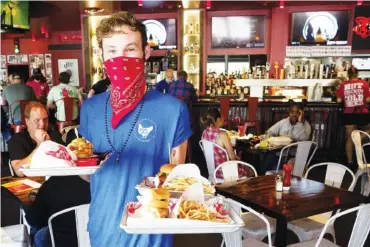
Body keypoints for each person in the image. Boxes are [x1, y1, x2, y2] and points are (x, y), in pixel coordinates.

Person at [78, 12, 192, 247]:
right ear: (101, 55)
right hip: (103, 229)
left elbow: (176, 180)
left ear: (146, 53)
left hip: (152, 235)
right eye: (112, 51)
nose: (120, 58)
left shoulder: (173, 111)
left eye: (130, 49)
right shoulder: (90, 109)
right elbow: (87, 174)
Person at [25, 176, 91, 247]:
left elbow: (34, 221)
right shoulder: (99, 182)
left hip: (62, 242)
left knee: (39, 235)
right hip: (96, 238)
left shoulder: (52, 184)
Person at [7, 101, 63, 177]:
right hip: (28, 183)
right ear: (27, 121)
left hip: (53, 181)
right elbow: (19, 172)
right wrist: (40, 146)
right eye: (37, 120)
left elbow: (66, 163)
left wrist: (50, 145)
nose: (42, 124)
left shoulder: (55, 135)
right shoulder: (16, 140)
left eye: (45, 119)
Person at [260, 102, 312, 175]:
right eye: (292, 112)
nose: (294, 114)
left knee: (272, 168)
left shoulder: (306, 126)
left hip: (293, 158)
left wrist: (299, 123)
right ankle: (261, 179)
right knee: (264, 164)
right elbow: (270, 131)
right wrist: (265, 136)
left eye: (297, 112)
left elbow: (300, 137)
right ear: (289, 112)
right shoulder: (284, 122)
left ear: (302, 113)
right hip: (279, 153)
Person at [201, 108, 251, 180]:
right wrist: (237, 158)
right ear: (218, 119)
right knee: (250, 170)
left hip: (212, 172)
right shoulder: (222, 135)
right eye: (222, 118)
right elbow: (232, 158)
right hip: (226, 173)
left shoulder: (204, 133)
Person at [336, 66, 370, 167]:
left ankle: (350, 162)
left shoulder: (343, 85)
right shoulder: (364, 84)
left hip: (349, 114)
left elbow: (338, 100)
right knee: (366, 130)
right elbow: (368, 100)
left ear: (348, 75)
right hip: (362, 113)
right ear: (357, 74)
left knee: (349, 137)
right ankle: (360, 139)